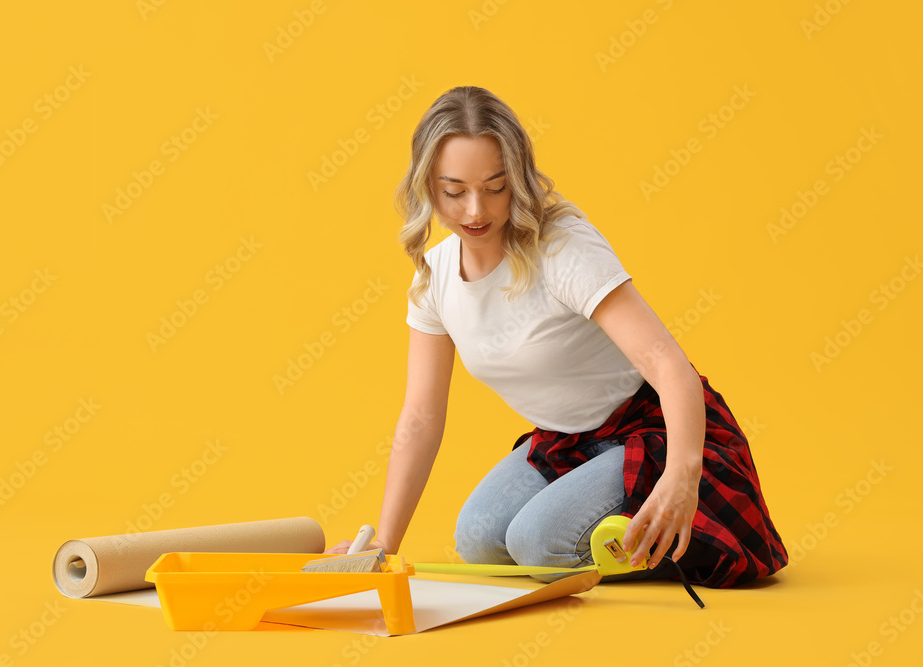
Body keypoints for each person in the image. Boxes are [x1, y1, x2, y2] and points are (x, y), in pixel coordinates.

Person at [325, 86, 787, 588]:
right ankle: (605, 530)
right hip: (563, 442)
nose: (475, 210)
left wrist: (683, 477)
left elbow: (667, 364)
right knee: (477, 540)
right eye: (454, 191)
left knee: (538, 543)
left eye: (495, 187)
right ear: (427, 187)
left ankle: (651, 536)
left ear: (518, 180)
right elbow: (421, 416)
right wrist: (383, 547)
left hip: (650, 433)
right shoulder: (433, 277)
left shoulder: (562, 247)